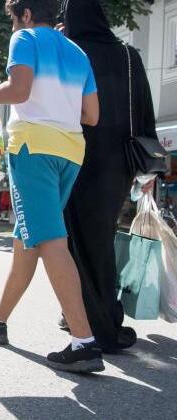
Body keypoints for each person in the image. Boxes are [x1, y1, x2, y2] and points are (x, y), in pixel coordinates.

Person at [0, 0, 104, 373]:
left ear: (24, 14)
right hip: (70, 151)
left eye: (13, 19)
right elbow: (92, 115)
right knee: (29, 237)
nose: (12, 26)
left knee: (51, 240)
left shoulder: (24, 38)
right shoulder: (76, 51)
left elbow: (18, 90)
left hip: (32, 148)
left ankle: (84, 341)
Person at [59, 0, 159, 351]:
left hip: (76, 157)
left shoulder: (71, 53)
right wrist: (145, 168)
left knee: (74, 242)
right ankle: (91, 313)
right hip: (119, 164)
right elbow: (145, 111)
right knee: (99, 240)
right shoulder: (129, 56)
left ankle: (100, 325)